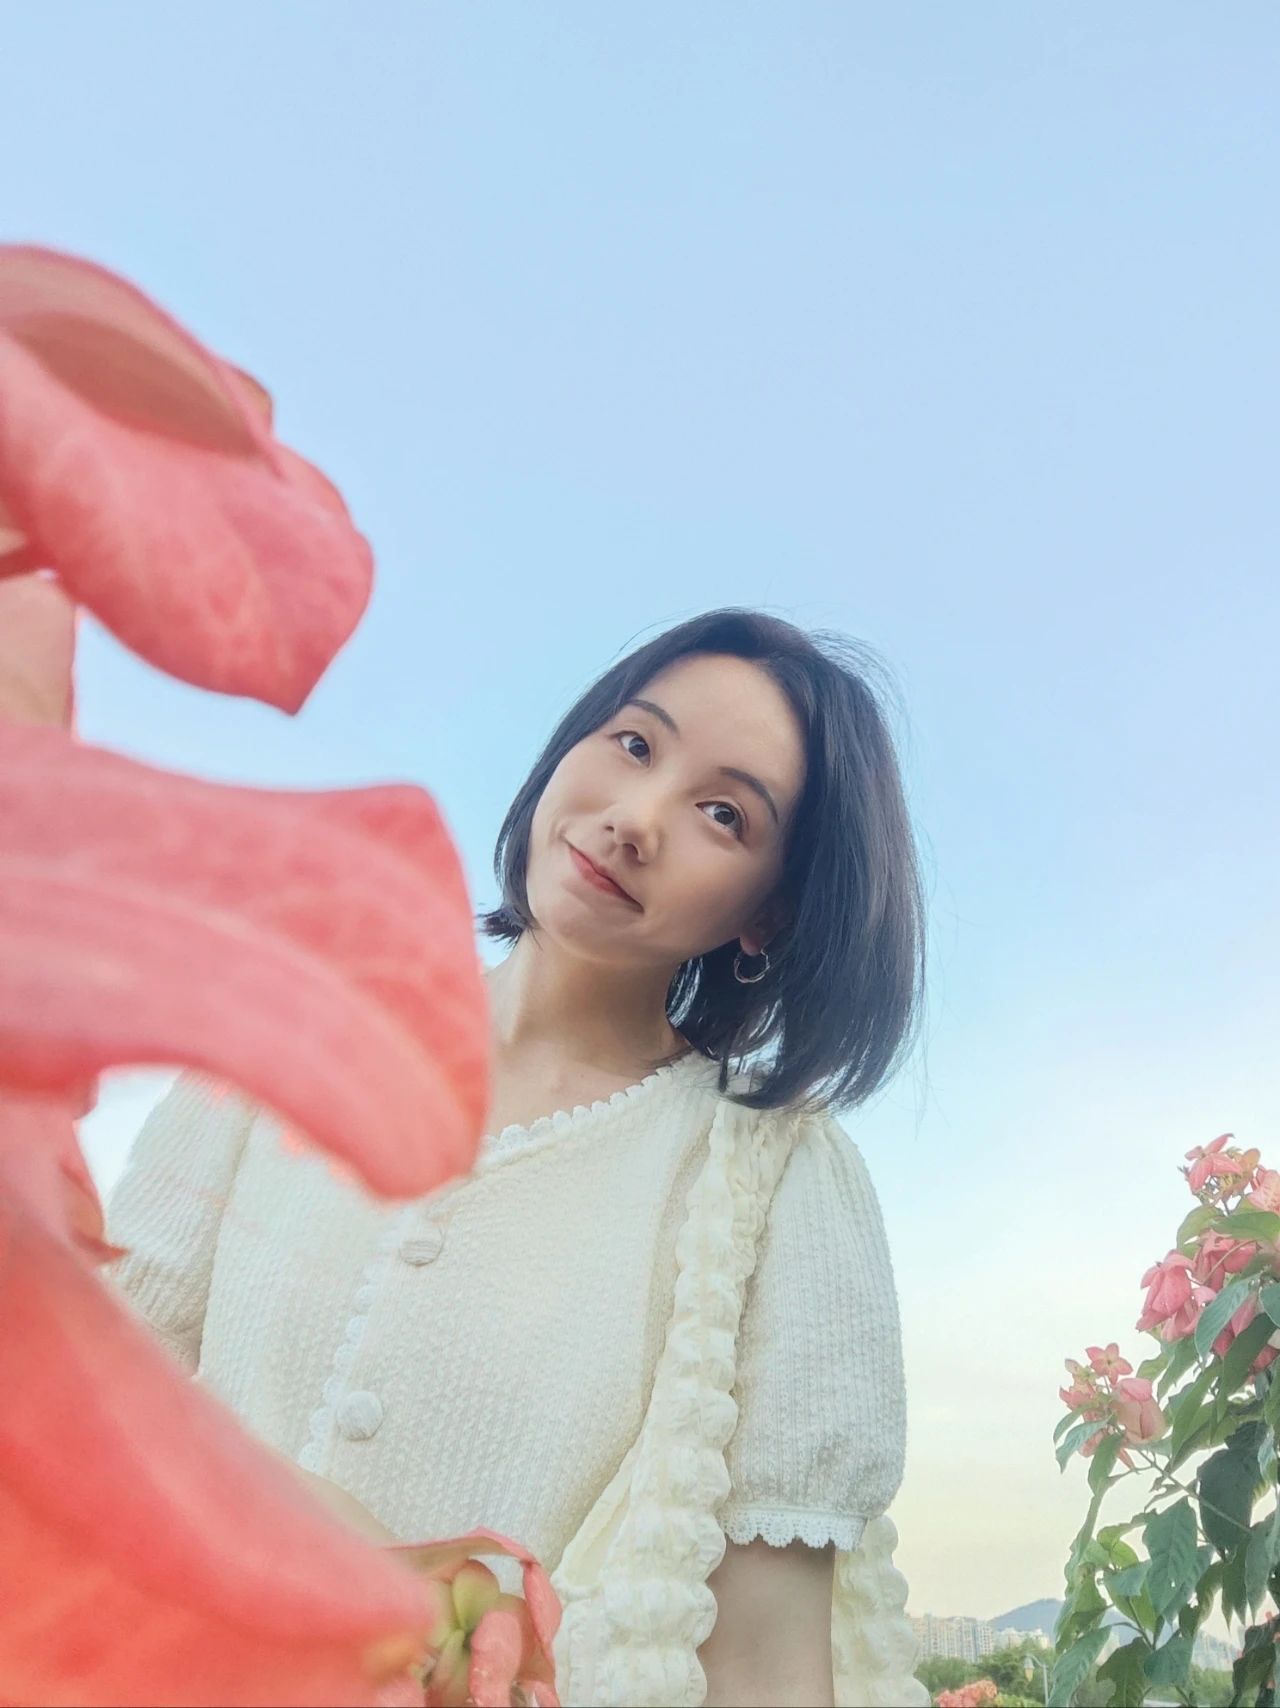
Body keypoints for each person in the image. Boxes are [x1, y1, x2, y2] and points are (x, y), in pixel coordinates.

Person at [103, 606, 930, 1707]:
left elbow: (765, 1669)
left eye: (722, 814)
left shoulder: (774, 1187)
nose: (636, 818)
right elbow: (86, 1389)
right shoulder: (284, 1028)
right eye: (633, 743)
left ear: (767, 914)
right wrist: (342, 1550)